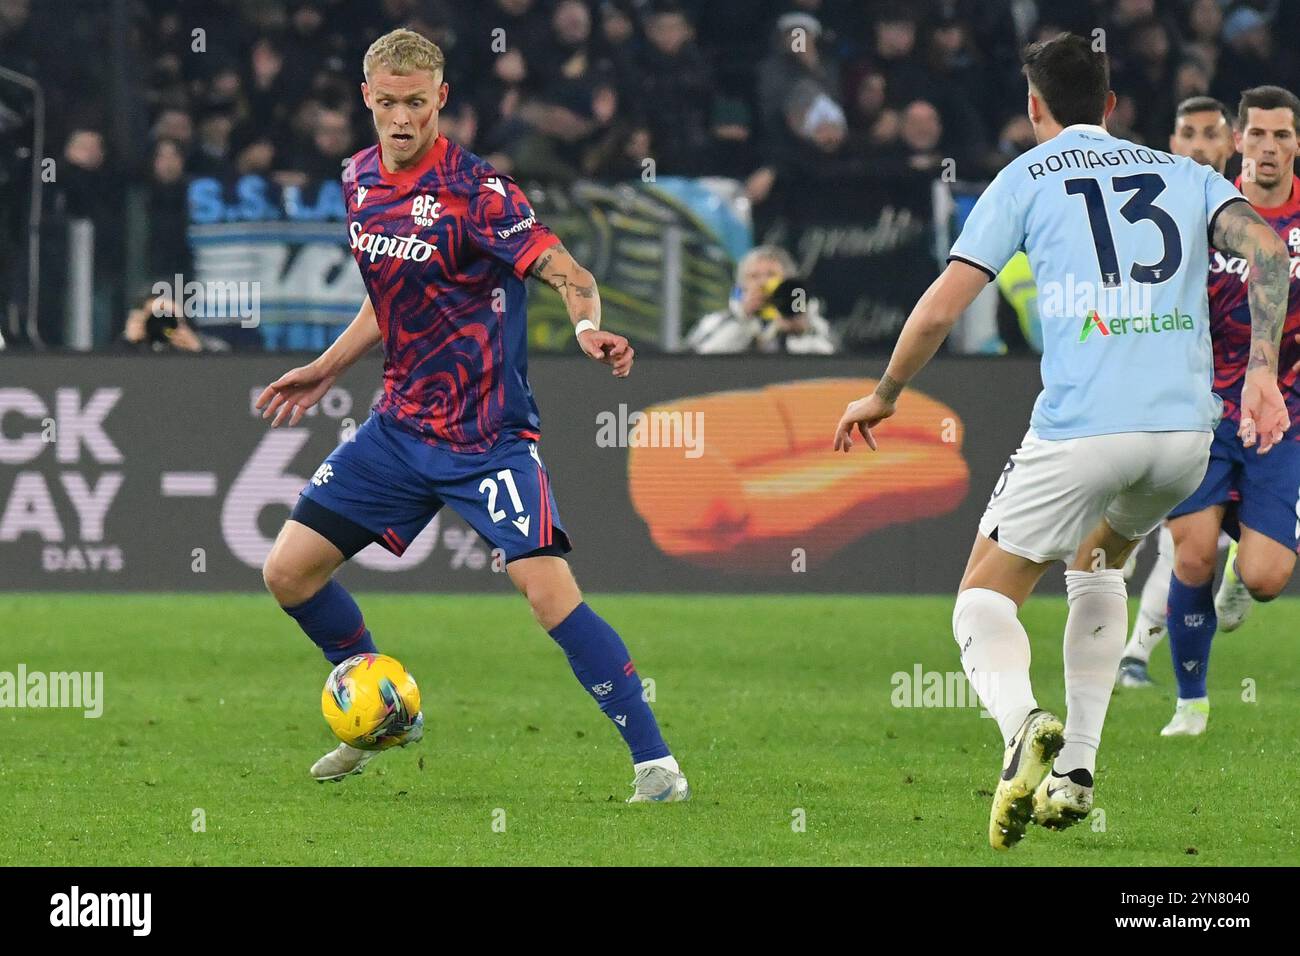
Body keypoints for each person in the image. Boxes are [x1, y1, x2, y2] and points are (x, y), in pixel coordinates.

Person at [831, 34, 1288, 850]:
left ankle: (1021, 724)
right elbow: (1267, 251)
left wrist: (885, 394)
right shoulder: (1185, 175)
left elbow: (939, 308)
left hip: (1084, 427)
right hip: (1185, 434)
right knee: (1100, 560)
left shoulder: (1024, 178)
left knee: (981, 597)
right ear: (1112, 105)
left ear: (1035, 107)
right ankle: (1075, 771)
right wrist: (1260, 371)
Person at [255, 29, 689, 803]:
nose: (401, 119)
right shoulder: (357, 180)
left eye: (416, 104)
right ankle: (384, 715)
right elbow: (389, 298)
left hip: (486, 438)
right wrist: (325, 369)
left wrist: (588, 328)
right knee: (288, 571)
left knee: (548, 593)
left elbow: (568, 270)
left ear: (440, 100)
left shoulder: (478, 191)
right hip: (398, 429)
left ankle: (656, 765)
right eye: (387, 103)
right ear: (367, 99)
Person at [1154, 86, 1300, 737]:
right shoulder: (1203, 207)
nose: (1268, 147)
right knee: (1190, 558)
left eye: (1282, 135)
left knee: (1269, 578)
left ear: (1296, 143)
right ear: (1237, 140)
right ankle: (1191, 700)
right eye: (1257, 135)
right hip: (1202, 408)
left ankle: (1247, 567)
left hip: (1283, 412)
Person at [1117, 95, 1239, 690]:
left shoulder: (1245, 218)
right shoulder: (1149, 214)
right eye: (1186, 133)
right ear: (1172, 142)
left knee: (1190, 538)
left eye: (1209, 134)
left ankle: (1134, 654)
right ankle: (1114, 647)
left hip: (1220, 402)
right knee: (1124, 530)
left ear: (1229, 142)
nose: (1196, 145)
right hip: (1149, 388)